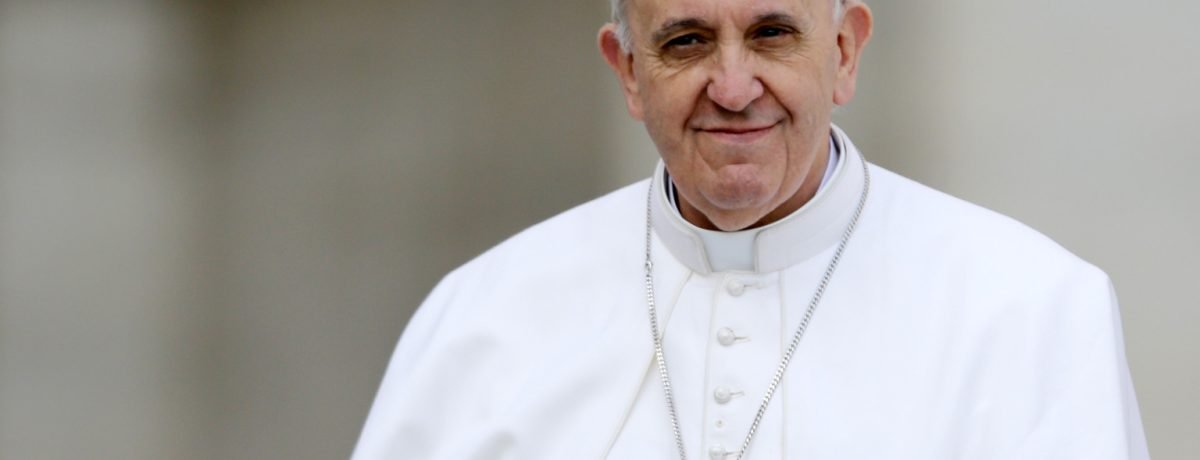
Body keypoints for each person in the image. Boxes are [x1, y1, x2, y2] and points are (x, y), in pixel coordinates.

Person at [352, 0, 1149, 458]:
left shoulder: (1031, 309)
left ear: (843, 50)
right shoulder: (481, 319)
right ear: (628, 72)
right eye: (686, 42)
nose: (733, 88)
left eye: (772, 33)